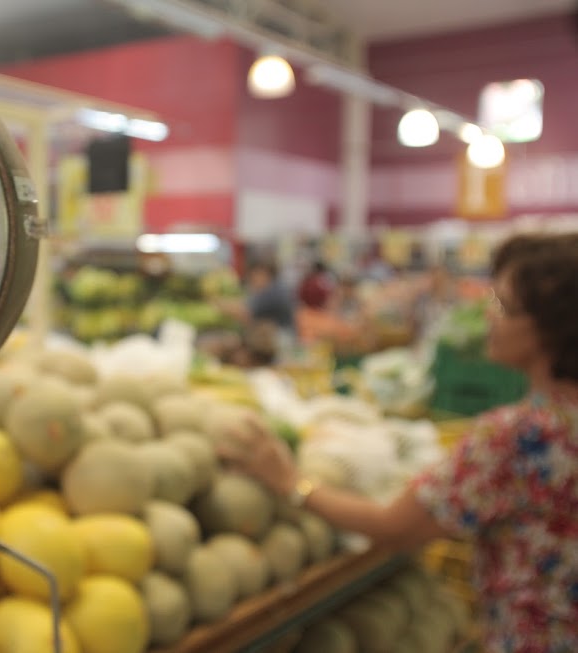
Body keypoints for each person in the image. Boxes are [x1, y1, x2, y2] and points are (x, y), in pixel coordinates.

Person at [218, 232, 578, 653]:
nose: (488, 314)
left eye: (503, 305)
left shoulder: (520, 438)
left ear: (550, 330)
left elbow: (394, 528)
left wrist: (290, 483)